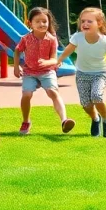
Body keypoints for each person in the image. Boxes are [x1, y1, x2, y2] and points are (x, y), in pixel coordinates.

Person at [57, 7, 106, 138]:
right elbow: (69, 49)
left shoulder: (104, 41)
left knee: (97, 96)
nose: (85, 24)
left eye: (89, 21)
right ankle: (95, 119)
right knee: (86, 104)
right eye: (83, 21)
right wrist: (60, 60)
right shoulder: (77, 37)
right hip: (82, 73)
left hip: (100, 73)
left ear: (99, 23)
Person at [14, 7, 75, 135]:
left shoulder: (52, 39)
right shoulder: (26, 39)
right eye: (38, 21)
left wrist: (47, 62)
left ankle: (64, 120)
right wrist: (16, 67)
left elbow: (54, 59)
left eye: (44, 21)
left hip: (47, 71)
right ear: (30, 23)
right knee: (26, 95)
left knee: (53, 92)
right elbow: (17, 50)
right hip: (29, 72)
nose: (42, 24)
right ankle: (26, 121)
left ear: (49, 22)